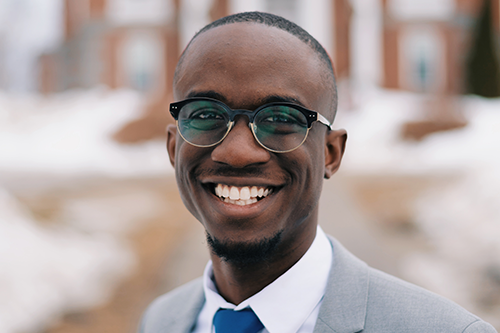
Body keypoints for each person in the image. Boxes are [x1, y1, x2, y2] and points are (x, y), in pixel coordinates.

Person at [138, 11, 497, 333]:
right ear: (174, 147)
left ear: (330, 153)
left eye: (280, 118)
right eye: (205, 114)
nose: (236, 152)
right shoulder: (161, 320)